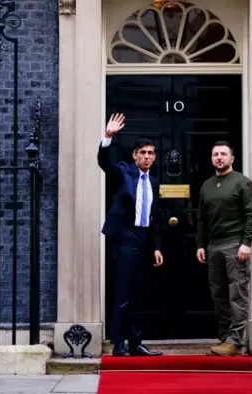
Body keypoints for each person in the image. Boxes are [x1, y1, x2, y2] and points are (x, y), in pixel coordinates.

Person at [98, 113, 164, 357]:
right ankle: (118, 345)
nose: (147, 156)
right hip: (126, 240)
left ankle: (136, 343)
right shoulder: (123, 172)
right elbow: (104, 163)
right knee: (123, 295)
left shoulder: (154, 181)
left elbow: (155, 217)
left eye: (151, 153)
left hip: (145, 241)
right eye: (143, 153)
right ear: (135, 155)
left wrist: (156, 246)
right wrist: (108, 137)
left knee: (139, 296)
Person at [196, 141, 252, 357]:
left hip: (235, 244)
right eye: (215, 154)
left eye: (223, 154)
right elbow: (202, 219)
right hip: (213, 245)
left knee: (237, 293)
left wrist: (246, 243)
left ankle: (236, 340)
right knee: (218, 294)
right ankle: (225, 337)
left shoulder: (243, 183)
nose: (219, 157)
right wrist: (200, 245)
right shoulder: (207, 185)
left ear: (232, 158)